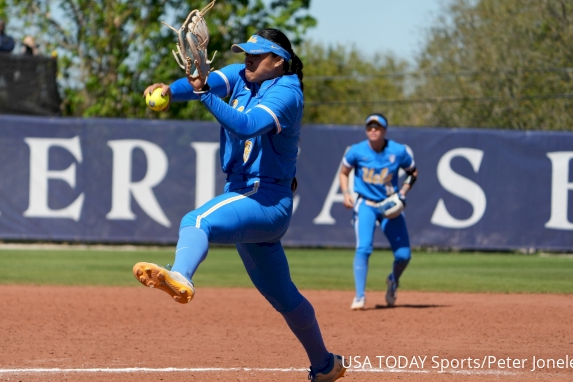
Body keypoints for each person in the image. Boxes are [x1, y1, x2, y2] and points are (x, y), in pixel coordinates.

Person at [137, 29, 346, 382]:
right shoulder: (242, 76)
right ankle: (325, 365)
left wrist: (202, 94)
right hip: (246, 195)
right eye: (246, 52)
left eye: (257, 54)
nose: (248, 58)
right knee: (285, 298)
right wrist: (173, 90)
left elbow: (248, 126)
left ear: (278, 61)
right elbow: (205, 82)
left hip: (265, 198)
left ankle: (181, 276)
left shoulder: (286, 91)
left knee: (197, 220)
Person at [339, 113, 418, 310]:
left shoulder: (398, 151)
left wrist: (403, 193)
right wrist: (346, 193)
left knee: (404, 255)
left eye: (377, 127)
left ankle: (393, 280)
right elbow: (343, 172)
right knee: (363, 248)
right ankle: (360, 296)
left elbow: (413, 172)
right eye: (369, 127)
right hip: (366, 204)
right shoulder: (357, 151)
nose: (373, 130)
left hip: (389, 205)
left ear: (384, 130)